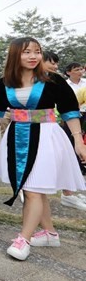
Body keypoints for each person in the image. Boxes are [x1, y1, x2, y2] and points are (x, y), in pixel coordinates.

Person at [0, 37, 86, 261]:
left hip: (46, 137)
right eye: (27, 52)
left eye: (37, 51)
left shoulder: (53, 80)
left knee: (32, 190)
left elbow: (70, 111)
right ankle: (50, 233)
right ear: (15, 55)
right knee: (34, 189)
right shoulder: (5, 82)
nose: (33, 56)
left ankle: (24, 238)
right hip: (16, 136)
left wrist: (79, 142)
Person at [43, 52, 86, 211]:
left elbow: (68, 105)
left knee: (65, 155)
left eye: (56, 63)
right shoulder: (15, 80)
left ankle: (68, 192)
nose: (55, 66)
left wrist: (78, 139)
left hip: (71, 119)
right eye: (51, 62)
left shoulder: (56, 81)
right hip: (57, 123)